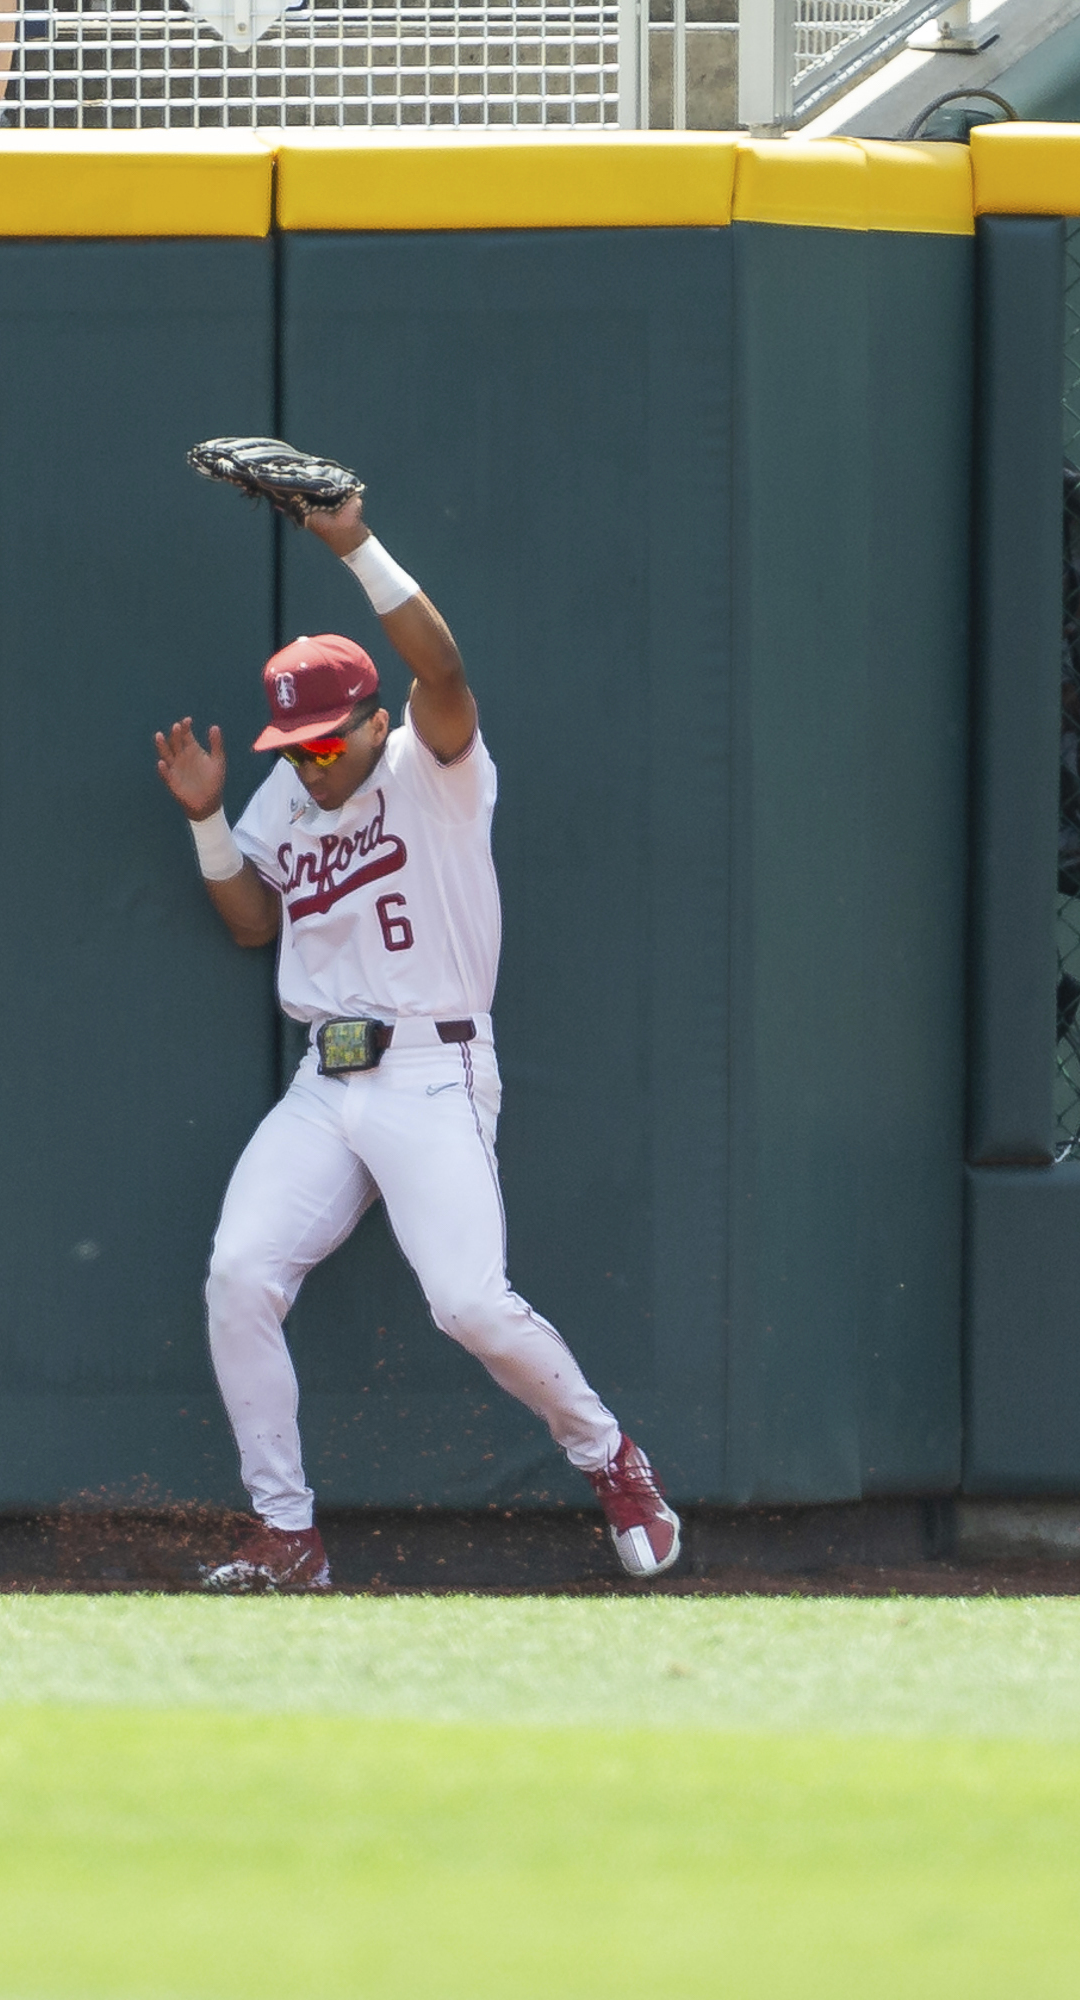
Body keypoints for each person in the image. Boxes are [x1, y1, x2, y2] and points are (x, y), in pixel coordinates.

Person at [151, 488, 682, 1591]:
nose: (307, 762)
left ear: (371, 720)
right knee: (239, 1272)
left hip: (434, 1068)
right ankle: (287, 1534)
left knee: (469, 1301)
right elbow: (254, 923)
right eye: (288, 746)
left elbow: (442, 671)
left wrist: (354, 546)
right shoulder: (284, 799)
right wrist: (209, 819)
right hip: (324, 1078)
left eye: (321, 740)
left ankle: (610, 1455)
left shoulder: (427, 768)